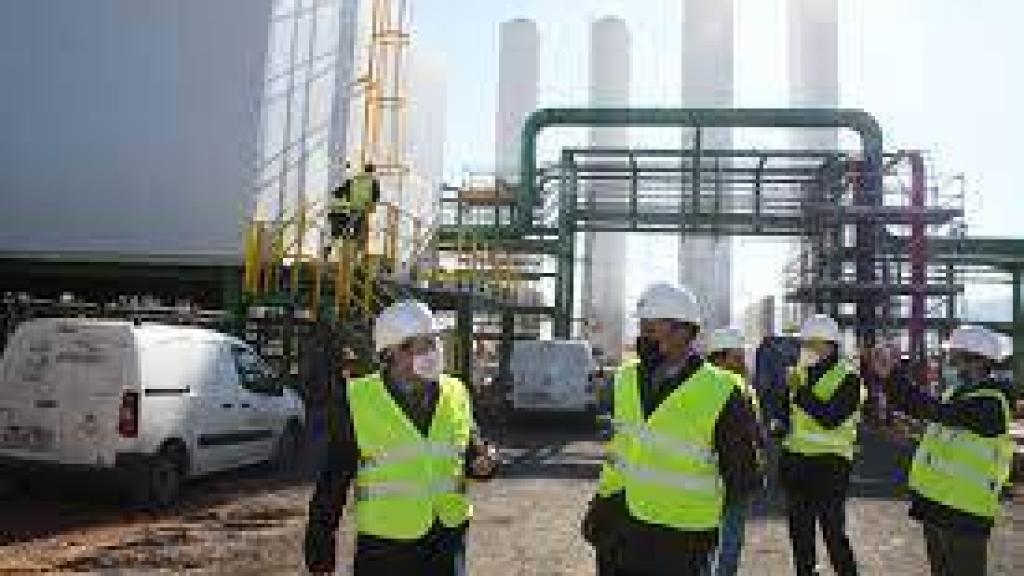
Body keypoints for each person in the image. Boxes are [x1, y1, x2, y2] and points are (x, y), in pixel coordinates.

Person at [304, 300, 498, 575]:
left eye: (432, 342)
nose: (429, 352)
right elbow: (334, 477)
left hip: (447, 540)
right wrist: (320, 540)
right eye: (414, 346)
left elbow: (471, 447)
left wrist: (484, 460)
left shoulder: (456, 392)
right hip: (385, 547)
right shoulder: (358, 399)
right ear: (389, 353)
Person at [582, 283, 761, 576]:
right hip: (621, 530)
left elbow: (742, 477)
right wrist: (601, 503)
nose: (643, 338)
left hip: (681, 540)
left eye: (651, 330)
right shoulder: (625, 378)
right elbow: (621, 450)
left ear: (683, 332)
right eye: (642, 328)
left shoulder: (721, 390)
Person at [872, 325, 1014, 576]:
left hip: (965, 512)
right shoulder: (959, 394)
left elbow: (935, 411)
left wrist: (893, 376)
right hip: (940, 506)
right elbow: (949, 432)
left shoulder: (990, 401)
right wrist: (916, 432)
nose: (949, 363)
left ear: (975, 361)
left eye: (953, 357)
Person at [776, 314, 863, 576]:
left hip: (830, 468)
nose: (805, 349)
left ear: (828, 345)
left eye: (810, 344)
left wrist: (800, 392)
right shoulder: (799, 373)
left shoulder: (849, 378)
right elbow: (786, 412)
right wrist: (779, 423)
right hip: (797, 466)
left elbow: (830, 418)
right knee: (800, 537)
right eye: (804, 344)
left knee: (833, 535)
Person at [704, 327, 764, 576]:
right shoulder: (729, 386)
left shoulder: (742, 386)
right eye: (737, 356)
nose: (742, 362)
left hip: (725, 475)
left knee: (719, 539)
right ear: (719, 357)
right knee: (722, 539)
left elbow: (754, 431)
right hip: (721, 475)